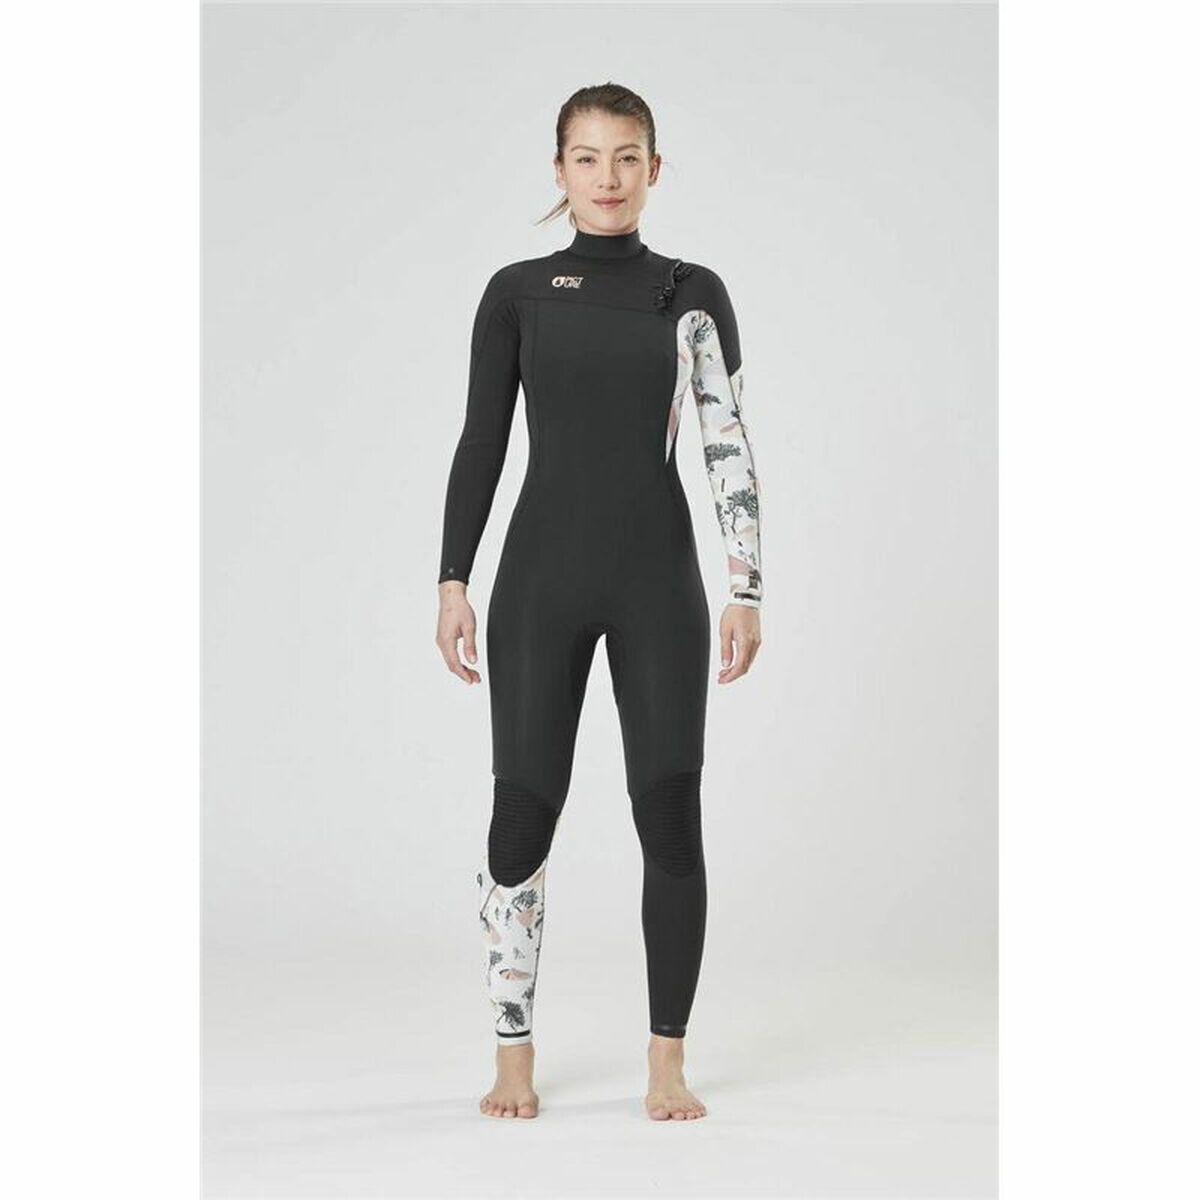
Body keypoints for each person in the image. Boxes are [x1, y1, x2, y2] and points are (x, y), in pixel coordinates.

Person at [435, 83, 763, 1121]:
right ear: (560, 170)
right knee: (519, 816)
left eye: (627, 158)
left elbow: (724, 441)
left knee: (669, 815)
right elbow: (483, 440)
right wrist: (453, 578)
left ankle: (667, 1061)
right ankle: (512, 1056)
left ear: (654, 170)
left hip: (658, 581)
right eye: (588, 158)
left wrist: (745, 584)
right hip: (540, 583)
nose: (608, 177)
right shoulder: (518, 293)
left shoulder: (691, 293)